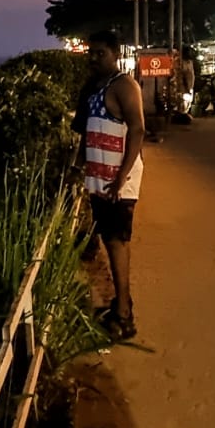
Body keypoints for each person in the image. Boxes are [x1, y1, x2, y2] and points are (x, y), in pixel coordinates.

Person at [73, 30, 145, 341]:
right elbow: (84, 131)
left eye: (100, 53)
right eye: (91, 52)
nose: (93, 58)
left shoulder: (125, 85)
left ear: (115, 53)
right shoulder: (93, 88)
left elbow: (139, 131)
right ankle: (121, 304)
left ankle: (124, 316)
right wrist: (77, 168)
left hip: (117, 181)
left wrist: (120, 178)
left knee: (117, 243)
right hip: (100, 179)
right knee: (109, 240)